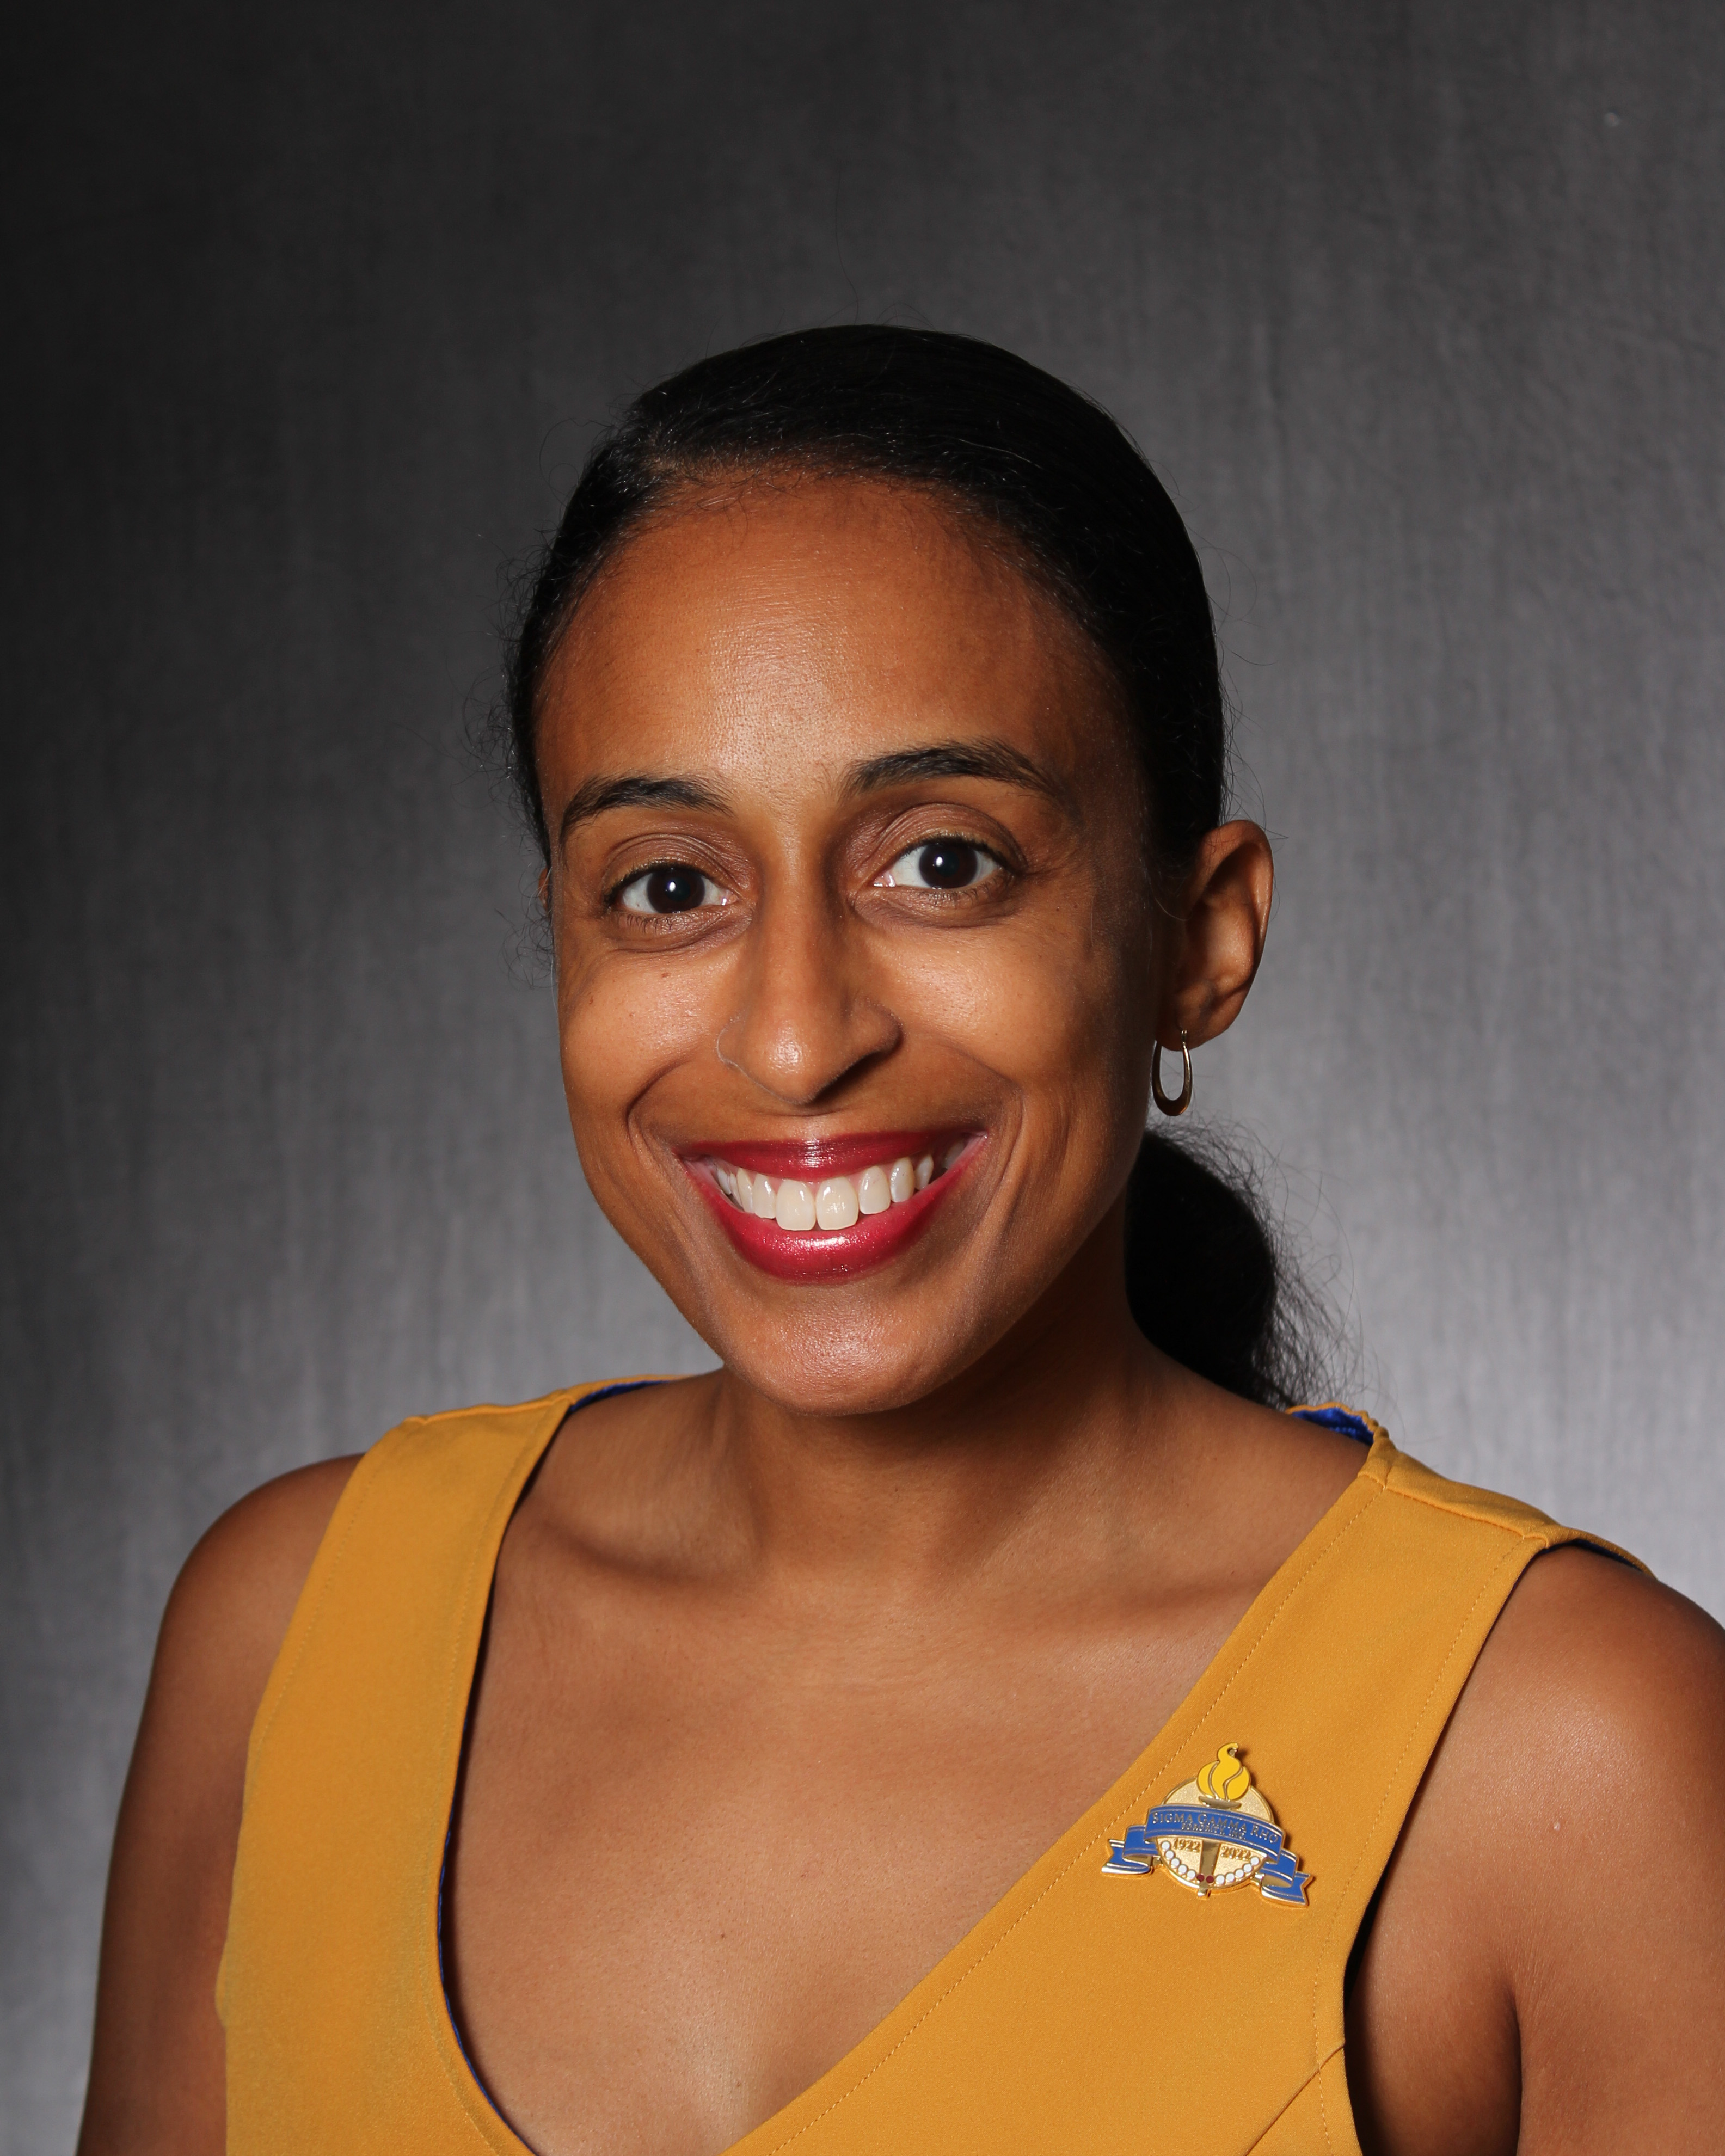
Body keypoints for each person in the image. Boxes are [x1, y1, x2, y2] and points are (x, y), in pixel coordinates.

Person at [78, 328, 1725, 2156]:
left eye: (942, 861)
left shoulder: (1564, 1744)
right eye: (669, 886)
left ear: (1200, 937)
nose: (794, 1037)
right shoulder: (295, 1627)